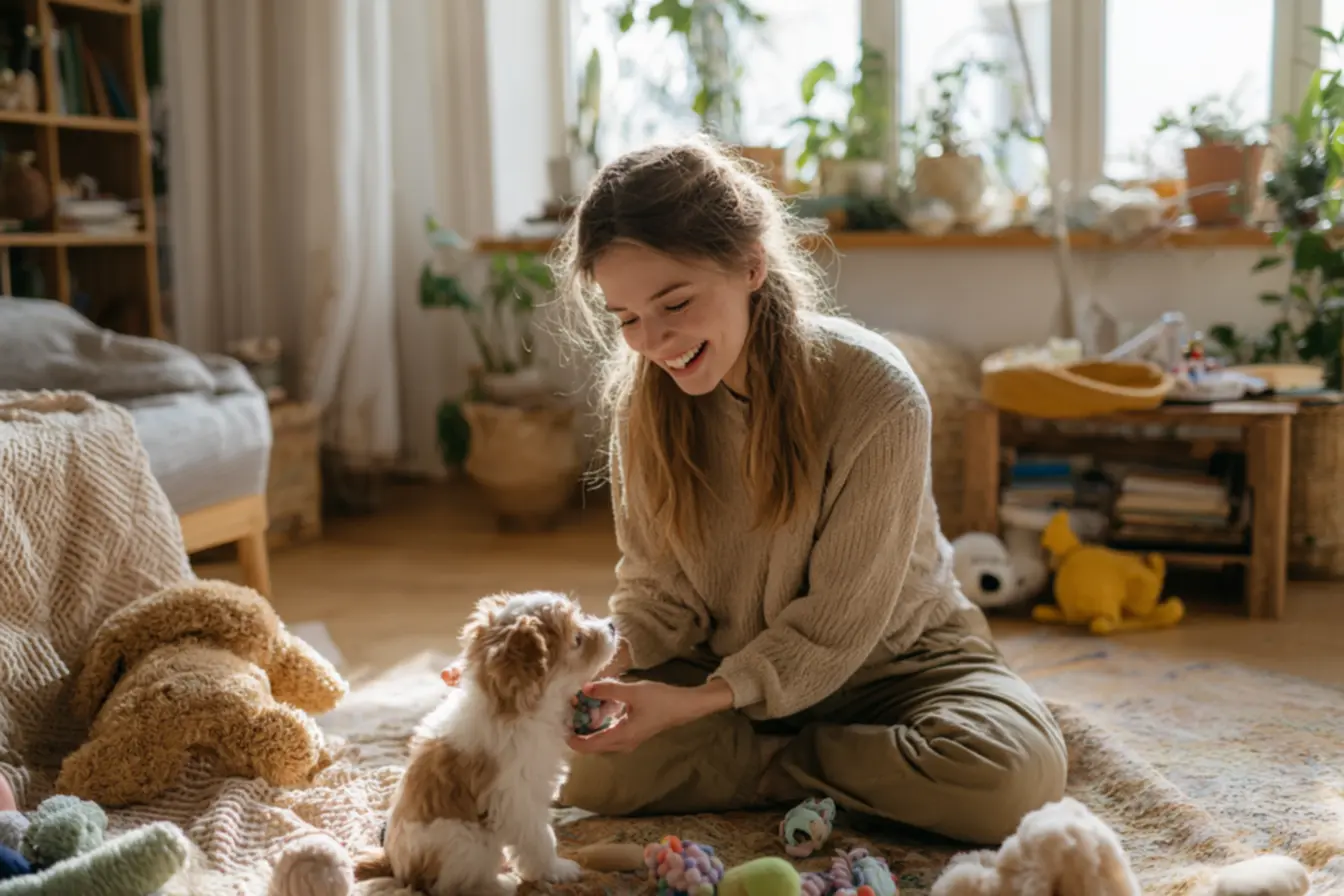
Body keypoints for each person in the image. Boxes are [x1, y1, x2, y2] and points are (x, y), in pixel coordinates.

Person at [544, 137, 1065, 845]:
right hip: (727, 668)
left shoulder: (879, 394)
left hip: (898, 668)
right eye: (628, 319)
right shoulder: (643, 406)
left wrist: (695, 708)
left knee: (1011, 780)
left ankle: (771, 763)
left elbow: (838, 626)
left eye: (675, 303)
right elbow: (658, 593)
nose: (654, 342)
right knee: (576, 762)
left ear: (751, 264)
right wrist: (598, 657)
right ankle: (841, 770)